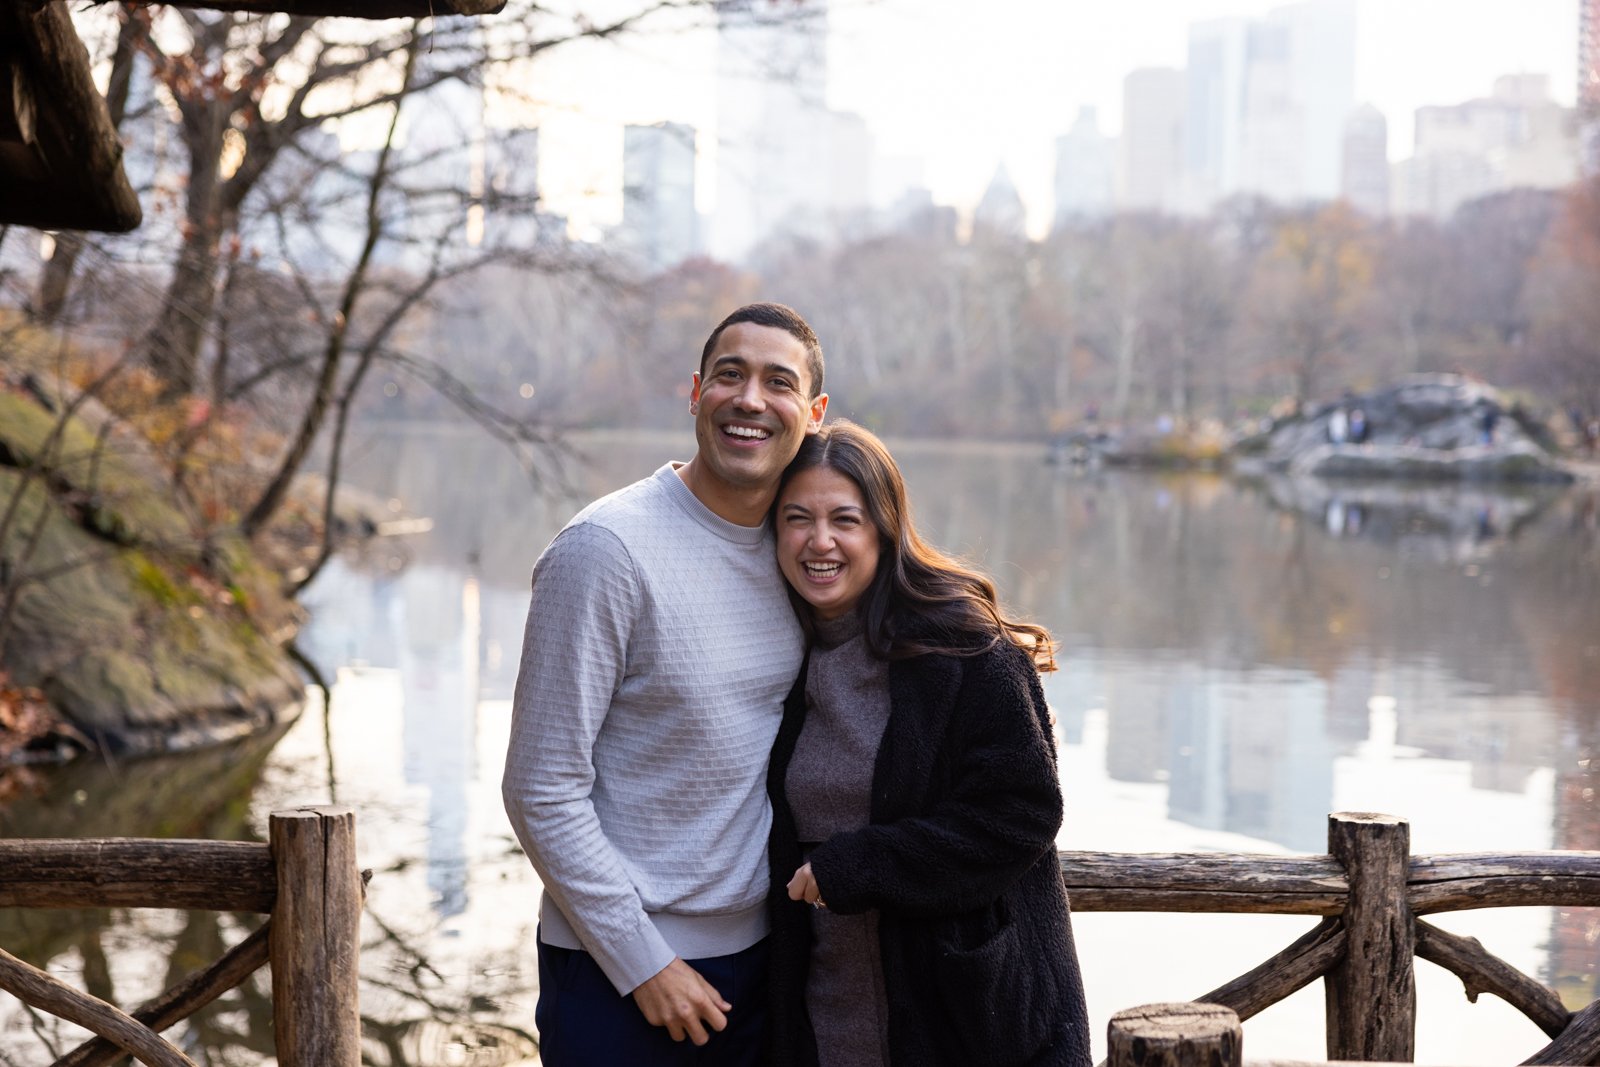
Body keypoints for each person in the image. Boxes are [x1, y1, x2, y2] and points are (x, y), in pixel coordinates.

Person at [502, 303, 829, 1066]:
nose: (750, 398)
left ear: (812, 416)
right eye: (729, 374)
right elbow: (540, 786)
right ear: (695, 393)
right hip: (618, 972)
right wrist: (642, 960)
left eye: (778, 382)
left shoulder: (797, 550)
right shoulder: (605, 550)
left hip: (760, 961)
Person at [764, 421, 1091, 1067]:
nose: (819, 540)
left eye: (845, 519)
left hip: (967, 1019)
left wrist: (861, 864)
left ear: (885, 529)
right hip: (823, 1012)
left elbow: (1020, 812)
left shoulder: (969, 653)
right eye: (797, 517)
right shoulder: (774, 655)